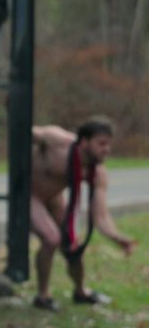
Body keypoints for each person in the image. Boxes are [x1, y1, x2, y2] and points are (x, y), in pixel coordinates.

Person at [28, 117, 138, 311]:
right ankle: (42, 295)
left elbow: (100, 216)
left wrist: (117, 238)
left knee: (73, 245)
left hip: (54, 198)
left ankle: (80, 292)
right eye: (101, 144)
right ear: (84, 142)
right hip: (28, 195)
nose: (106, 149)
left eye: (108, 144)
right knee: (52, 239)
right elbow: (24, 132)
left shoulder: (97, 173)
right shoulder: (57, 141)